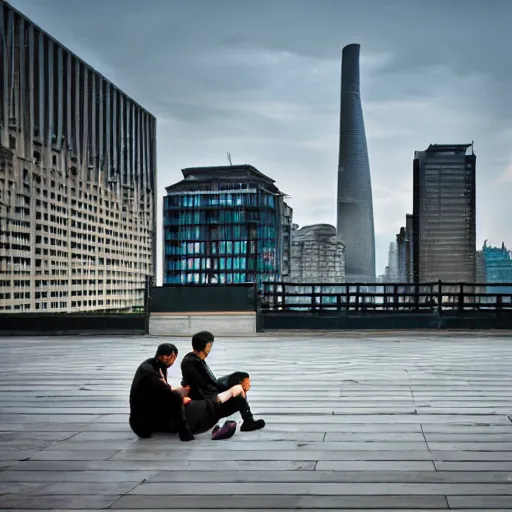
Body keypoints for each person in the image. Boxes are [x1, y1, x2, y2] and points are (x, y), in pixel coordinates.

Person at [129, 343, 257, 441]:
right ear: (167, 356)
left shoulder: (154, 367)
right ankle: (227, 413)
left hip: (157, 415)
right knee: (208, 408)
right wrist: (185, 433)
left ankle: (245, 418)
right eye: (173, 358)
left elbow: (161, 392)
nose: (173, 361)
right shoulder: (150, 372)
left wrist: (180, 392)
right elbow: (166, 397)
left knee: (212, 406)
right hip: (149, 422)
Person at [181, 331, 264, 431]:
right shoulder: (192, 363)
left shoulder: (194, 359)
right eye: (210, 343)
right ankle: (247, 421)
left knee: (240, 378)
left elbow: (208, 382)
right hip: (208, 404)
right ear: (206, 345)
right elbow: (203, 387)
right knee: (238, 395)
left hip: (209, 397)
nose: (211, 346)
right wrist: (227, 392)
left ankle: (247, 421)